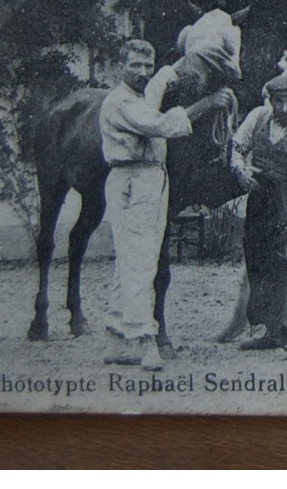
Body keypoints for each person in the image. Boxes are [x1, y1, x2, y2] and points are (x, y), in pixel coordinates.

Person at [98, 39, 193, 371]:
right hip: (131, 181)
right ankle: (144, 340)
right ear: (119, 67)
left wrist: (183, 61)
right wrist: (204, 106)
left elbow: (157, 86)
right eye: (134, 65)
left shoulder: (140, 97)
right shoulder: (120, 102)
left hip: (152, 179)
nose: (142, 72)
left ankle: (115, 339)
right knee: (139, 261)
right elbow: (159, 124)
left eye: (147, 64)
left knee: (132, 259)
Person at [230, 73, 287, 359]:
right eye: (279, 102)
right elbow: (237, 147)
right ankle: (267, 331)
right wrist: (239, 169)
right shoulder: (258, 117)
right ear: (270, 101)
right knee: (258, 263)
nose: (285, 108)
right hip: (259, 205)